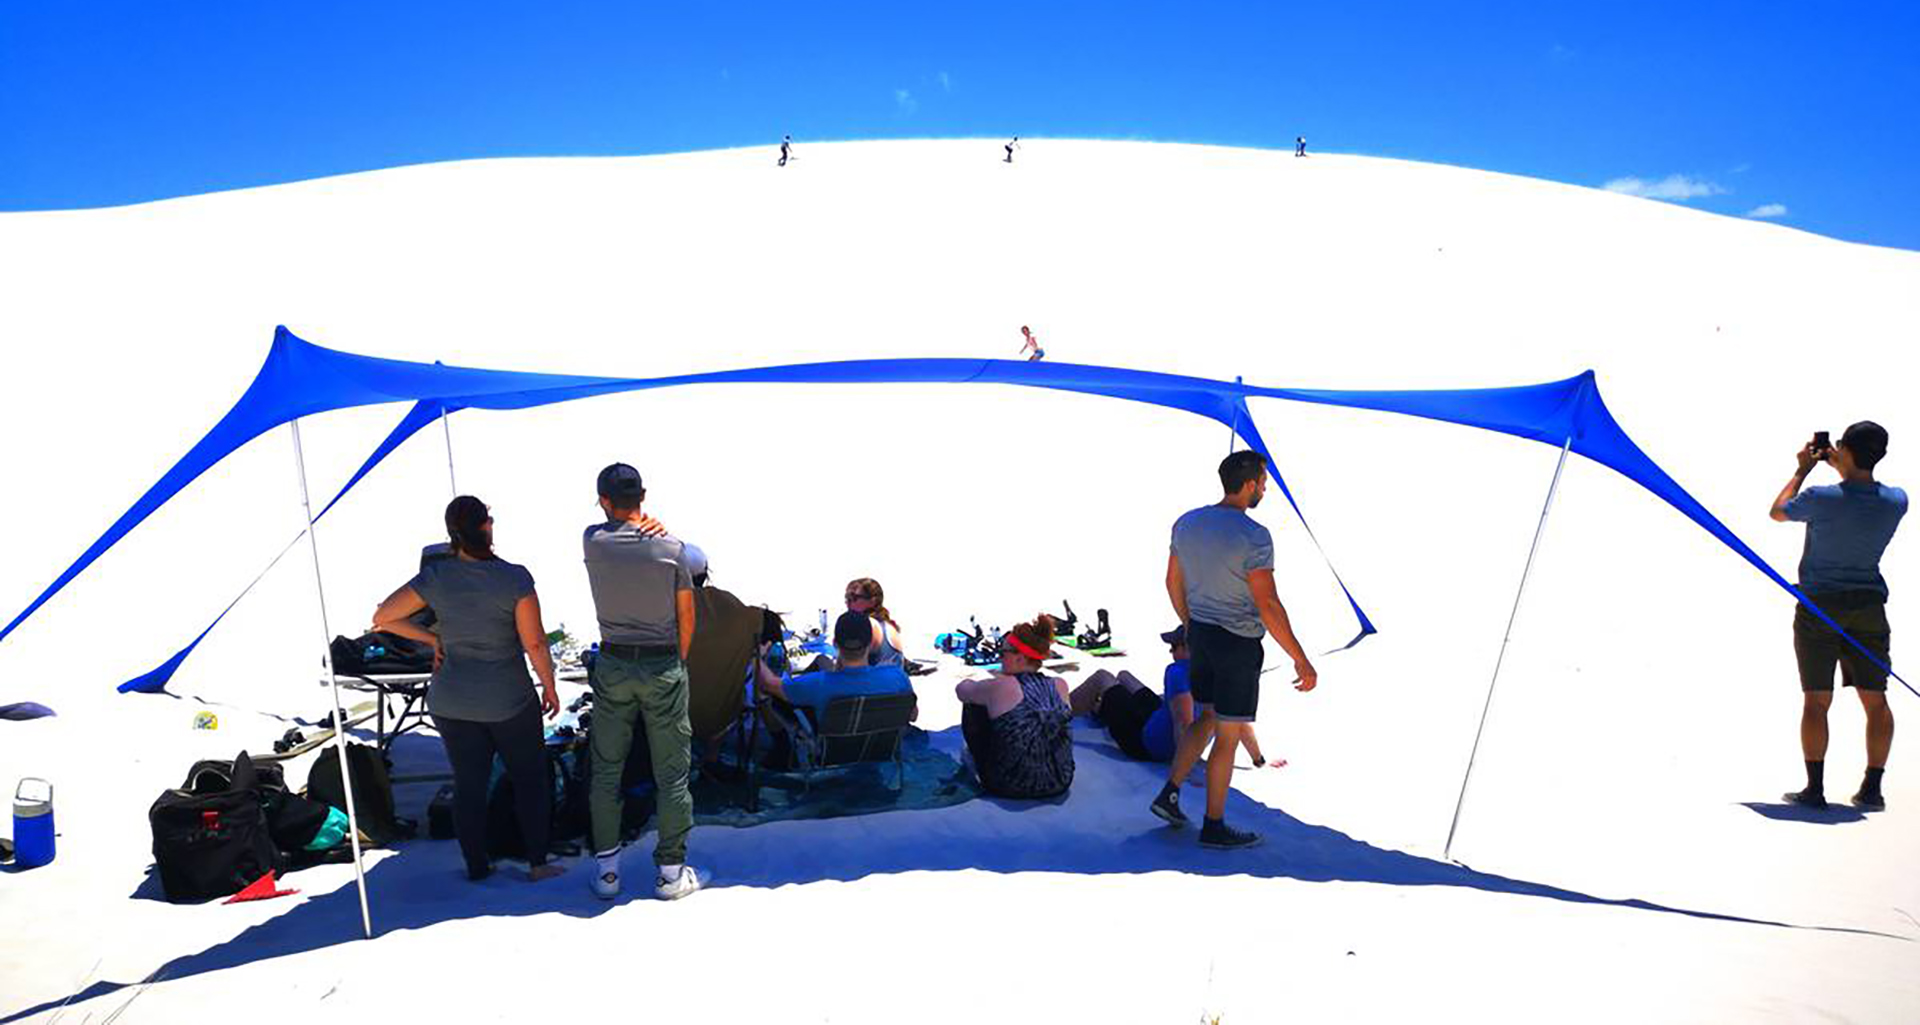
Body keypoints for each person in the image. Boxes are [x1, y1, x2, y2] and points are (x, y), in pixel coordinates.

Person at [371, 496, 564, 883]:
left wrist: (431, 639)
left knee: (468, 783)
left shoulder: (437, 577)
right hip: (508, 699)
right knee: (529, 780)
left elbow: (383, 617)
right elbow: (535, 643)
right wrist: (550, 685)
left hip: (452, 701)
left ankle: (477, 865)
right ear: (487, 527)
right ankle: (538, 862)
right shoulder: (514, 578)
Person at [1150, 450, 1317, 849]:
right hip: (1237, 643)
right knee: (1227, 733)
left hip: (1202, 635)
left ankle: (1170, 792)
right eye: (1262, 481)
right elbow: (1268, 604)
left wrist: (1189, 622)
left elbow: (1172, 581)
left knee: (1204, 718)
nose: (1264, 488)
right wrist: (1299, 657)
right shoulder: (1254, 536)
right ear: (1248, 484)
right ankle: (1214, 825)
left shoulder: (1187, 523)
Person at [582, 462, 704, 900]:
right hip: (662, 665)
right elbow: (686, 617)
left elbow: (617, 530)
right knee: (672, 775)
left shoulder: (592, 541)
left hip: (614, 662)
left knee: (606, 771)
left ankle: (608, 874)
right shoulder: (671, 548)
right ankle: (671, 874)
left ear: (603, 500)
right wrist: (678, 661)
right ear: (644, 496)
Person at [1771, 422, 1906, 810]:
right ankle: (1873, 788)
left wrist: (1802, 469)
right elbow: (1860, 494)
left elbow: (1778, 512)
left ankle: (1814, 790)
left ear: (1844, 448)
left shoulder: (1821, 497)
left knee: (1817, 701)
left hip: (1820, 608)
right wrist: (1844, 465)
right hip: (1868, 609)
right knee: (1876, 700)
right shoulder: (1896, 501)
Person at [1072, 624, 1285, 768]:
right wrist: (1258, 759)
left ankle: (1059, 711)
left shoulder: (1177, 672)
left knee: (1102, 677)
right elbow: (1238, 722)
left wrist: (1183, 772)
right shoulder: (1218, 672)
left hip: (1146, 745)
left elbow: (1184, 723)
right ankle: (1099, 710)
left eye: (1175, 647)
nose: (1171, 652)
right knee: (1124, 676)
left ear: (1189, 648)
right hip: (1156, 721)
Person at [956, 615, 1075, 798]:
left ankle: (975, 761)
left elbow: (961, 691)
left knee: (974, 704)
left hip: (1009, 786)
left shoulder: (1002, 686)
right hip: (1061, 781)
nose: (1000, 657)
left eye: (1003, 653)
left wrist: (981, 686)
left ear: (1020, 658)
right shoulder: (1061, 685)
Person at [756, 609, 915, 725]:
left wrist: (756, 654)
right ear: (870, 644)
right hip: (880, 752)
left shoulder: (818, 684)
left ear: (835, 644)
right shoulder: (896, 677)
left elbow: (767, 683)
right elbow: (912, 715)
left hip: (833, 757)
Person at [845, 577, 906, 667]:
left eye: (854, 597)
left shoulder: (868, 625)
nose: (848, 602)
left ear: (872, 601)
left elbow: (847, 665)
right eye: (847, 597)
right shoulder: (886, 625)